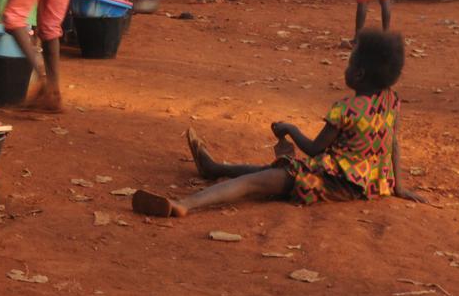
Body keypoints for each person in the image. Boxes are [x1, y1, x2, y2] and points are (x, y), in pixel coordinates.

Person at [132, 30, 422, 216]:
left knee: (256, 182)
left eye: (348, 63)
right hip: (369, 182)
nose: (344, 67)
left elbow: (313, 149)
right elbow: (393, 144)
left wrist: (290, 129)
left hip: (331, 182)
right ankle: (215, 169)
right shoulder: (390, 100)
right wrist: (398, 185)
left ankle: (185, 205)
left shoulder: (345, 109)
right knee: (272, 172)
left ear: (357, 75)